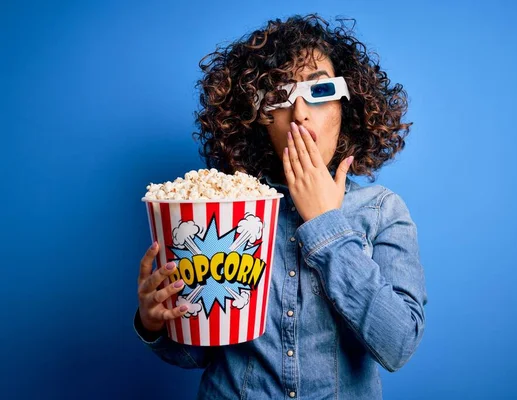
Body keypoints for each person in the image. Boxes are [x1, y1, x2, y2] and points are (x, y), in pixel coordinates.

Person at [134, 13, 427, 400]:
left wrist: (326, 223)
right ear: (257, 120)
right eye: (278, 97)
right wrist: (155, 323)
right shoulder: (224, 208)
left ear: (346, 106)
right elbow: (199, 353)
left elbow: (397, 344)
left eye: (319, 91)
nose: (300, 113)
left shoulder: (381, 211)